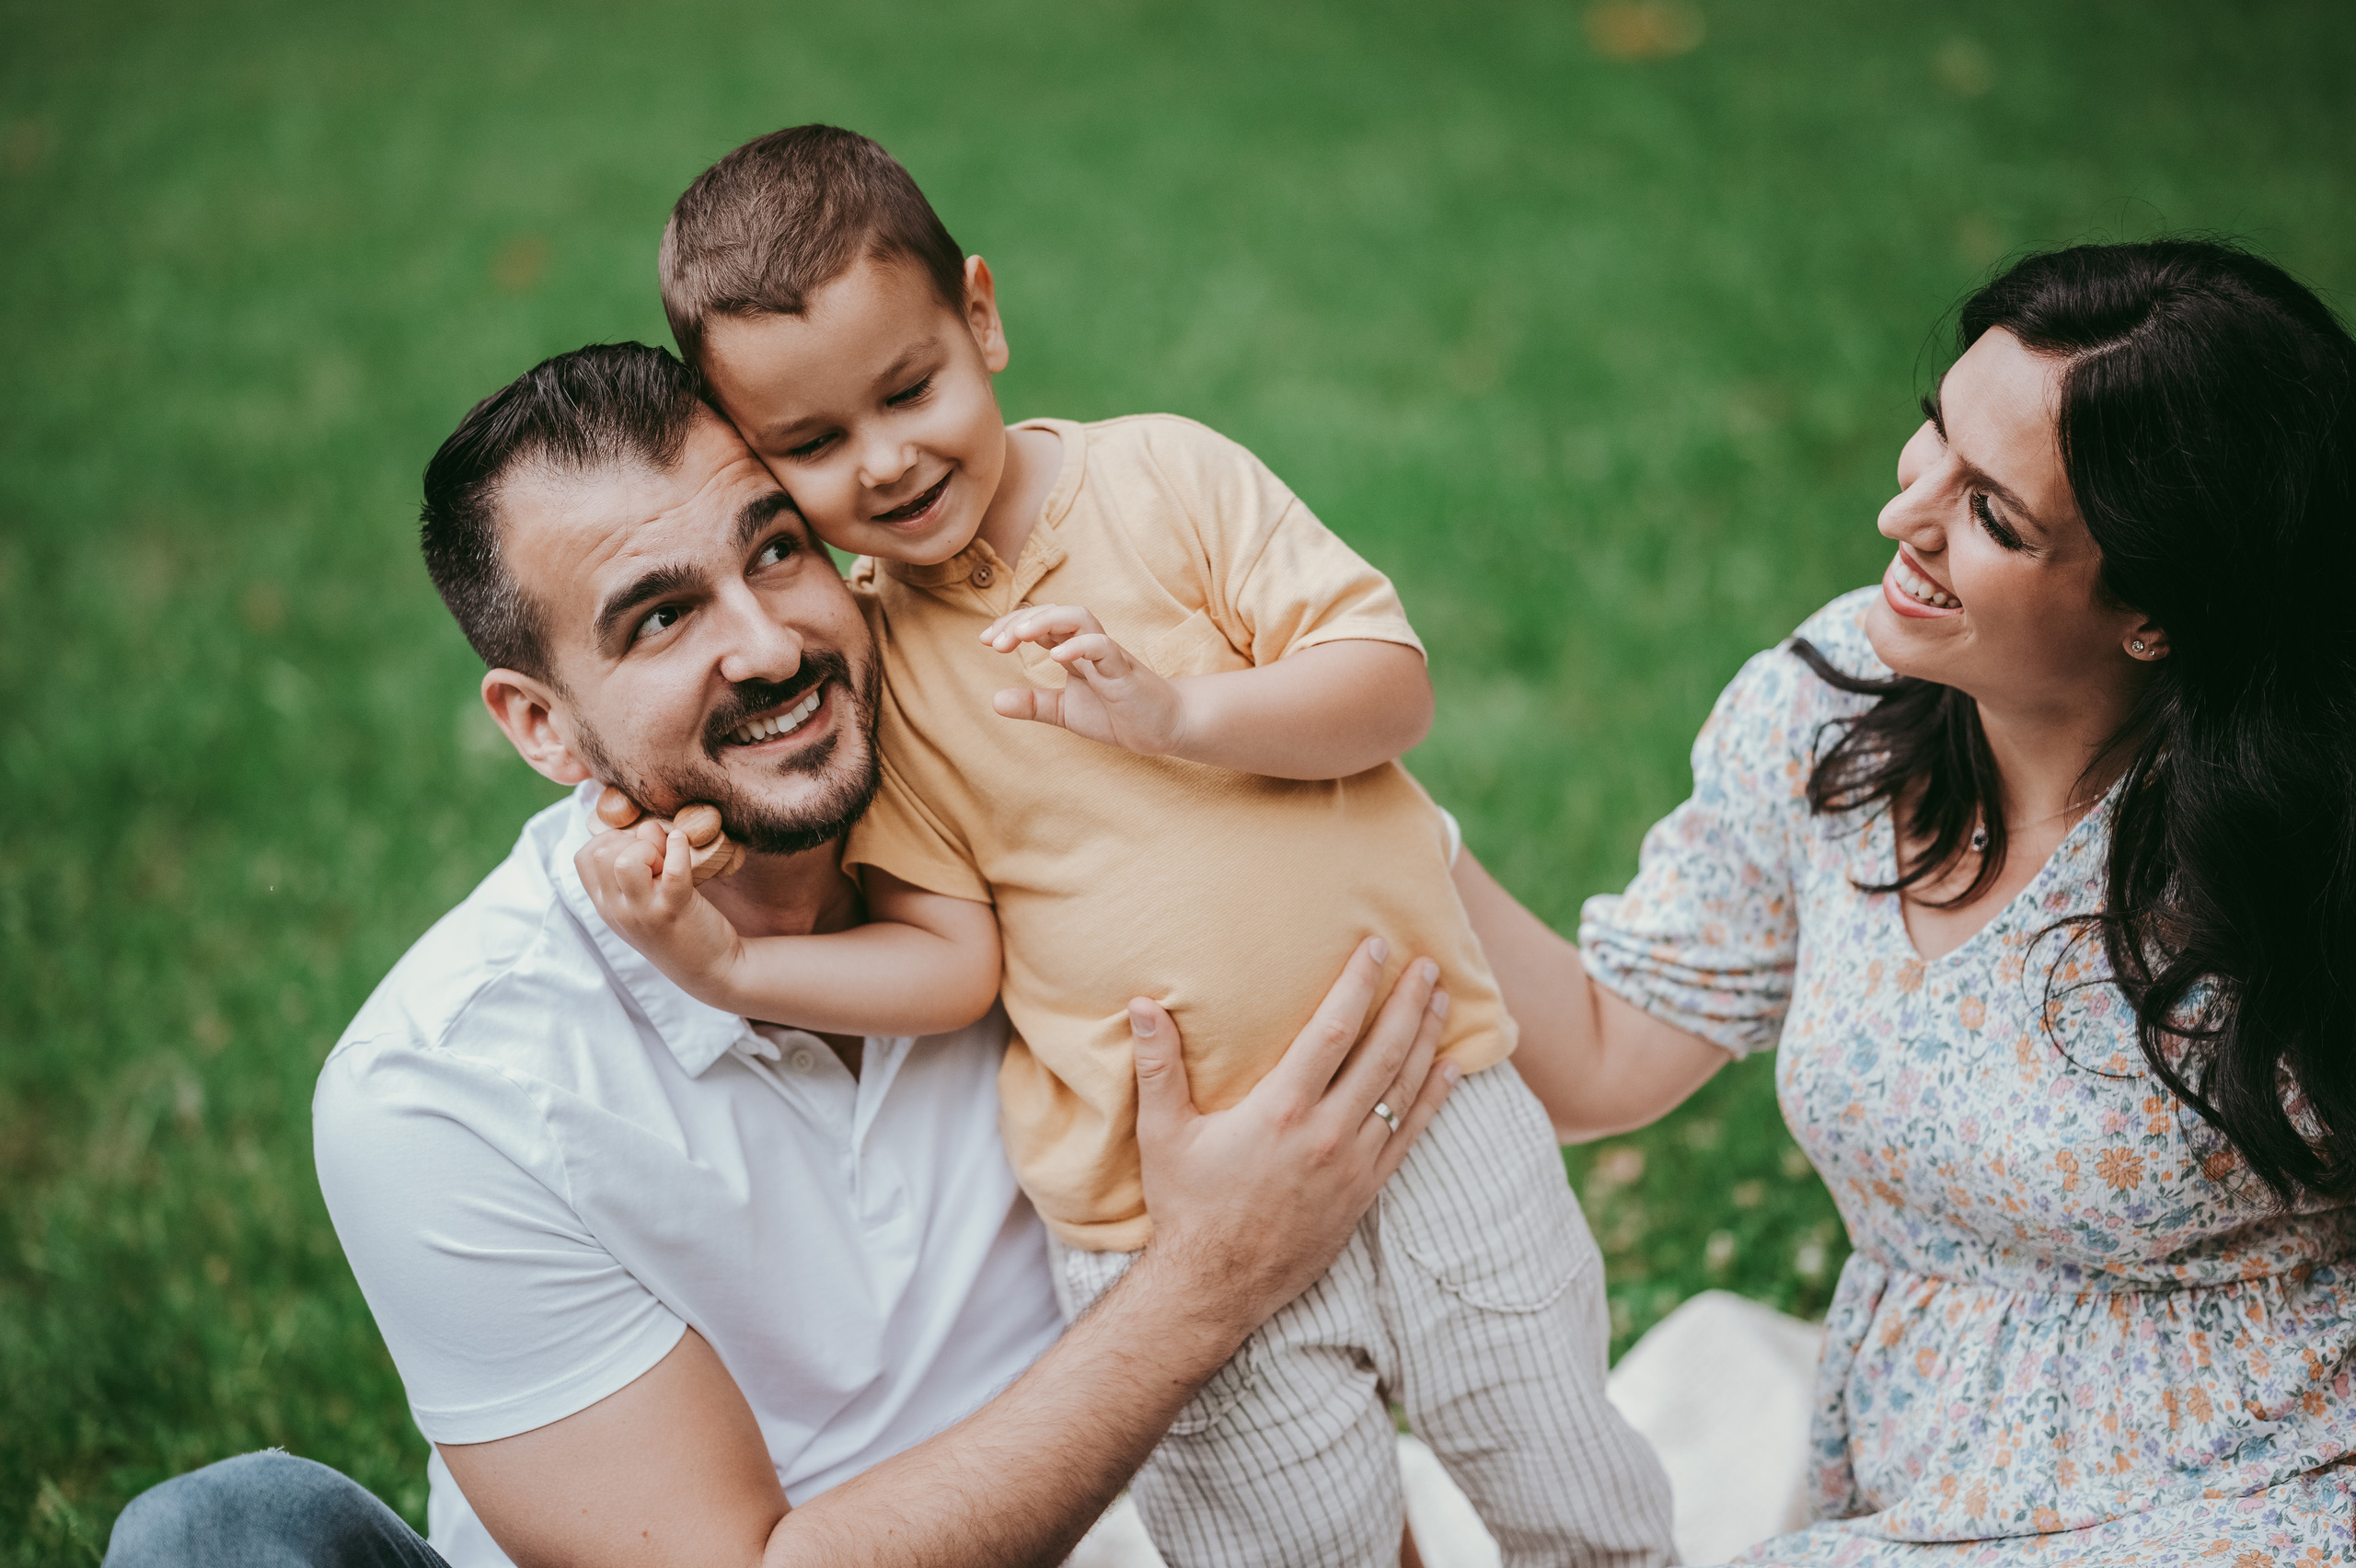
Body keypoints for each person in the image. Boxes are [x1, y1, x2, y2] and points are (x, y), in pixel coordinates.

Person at [100, 342, 1461, 1568]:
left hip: (1103, 1524)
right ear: (542, 728)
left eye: (774, 552)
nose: (768, 646)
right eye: (659, 618)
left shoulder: (1041, 800)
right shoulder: (449, 1083)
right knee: (217, 1539)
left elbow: (1495, 987)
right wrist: (1206, 1283)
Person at [598, 123, 1672, 1567]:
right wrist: (730, 969)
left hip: (1431, 1099)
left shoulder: (1165, 480)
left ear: (980, 316)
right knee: (1287, 1550)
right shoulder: (883, 667)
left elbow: (1387, 687)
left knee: (1578, 1496)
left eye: (908, 389)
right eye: (814, 446)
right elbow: (952, 960)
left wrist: (1174, 714)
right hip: (1159, 1208)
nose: (888, 459)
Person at [1455, 238, 2356, 1562]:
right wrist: (1373, 805)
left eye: (1993, 514)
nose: (1905, 518)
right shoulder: (1828, 715)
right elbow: (1600, 1056)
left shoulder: (2299, 831)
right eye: (1930, 440)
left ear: (2158, 611)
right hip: (1921, 1480)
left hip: (2272, 1481)